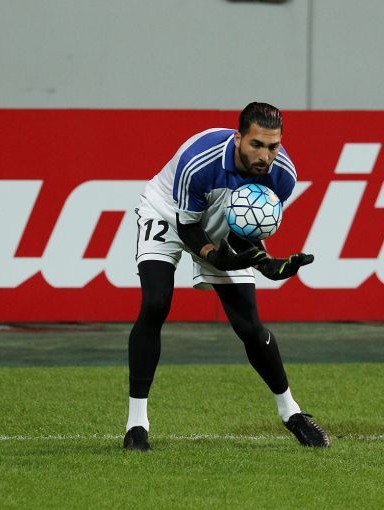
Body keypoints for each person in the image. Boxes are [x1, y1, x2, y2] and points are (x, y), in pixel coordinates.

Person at [123, 102, 329, 451]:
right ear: (238, 138)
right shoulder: (200, 163)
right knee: (156, 302)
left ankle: (292, 413)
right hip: (168, 212)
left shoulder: (283, 176)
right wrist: (212, 256)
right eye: (256, 144)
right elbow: (188, 225)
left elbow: (245, 229)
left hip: (219, 217)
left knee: (249, 326)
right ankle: (136, 425)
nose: (265, 156)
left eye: (273, 146)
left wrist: (265, 263)